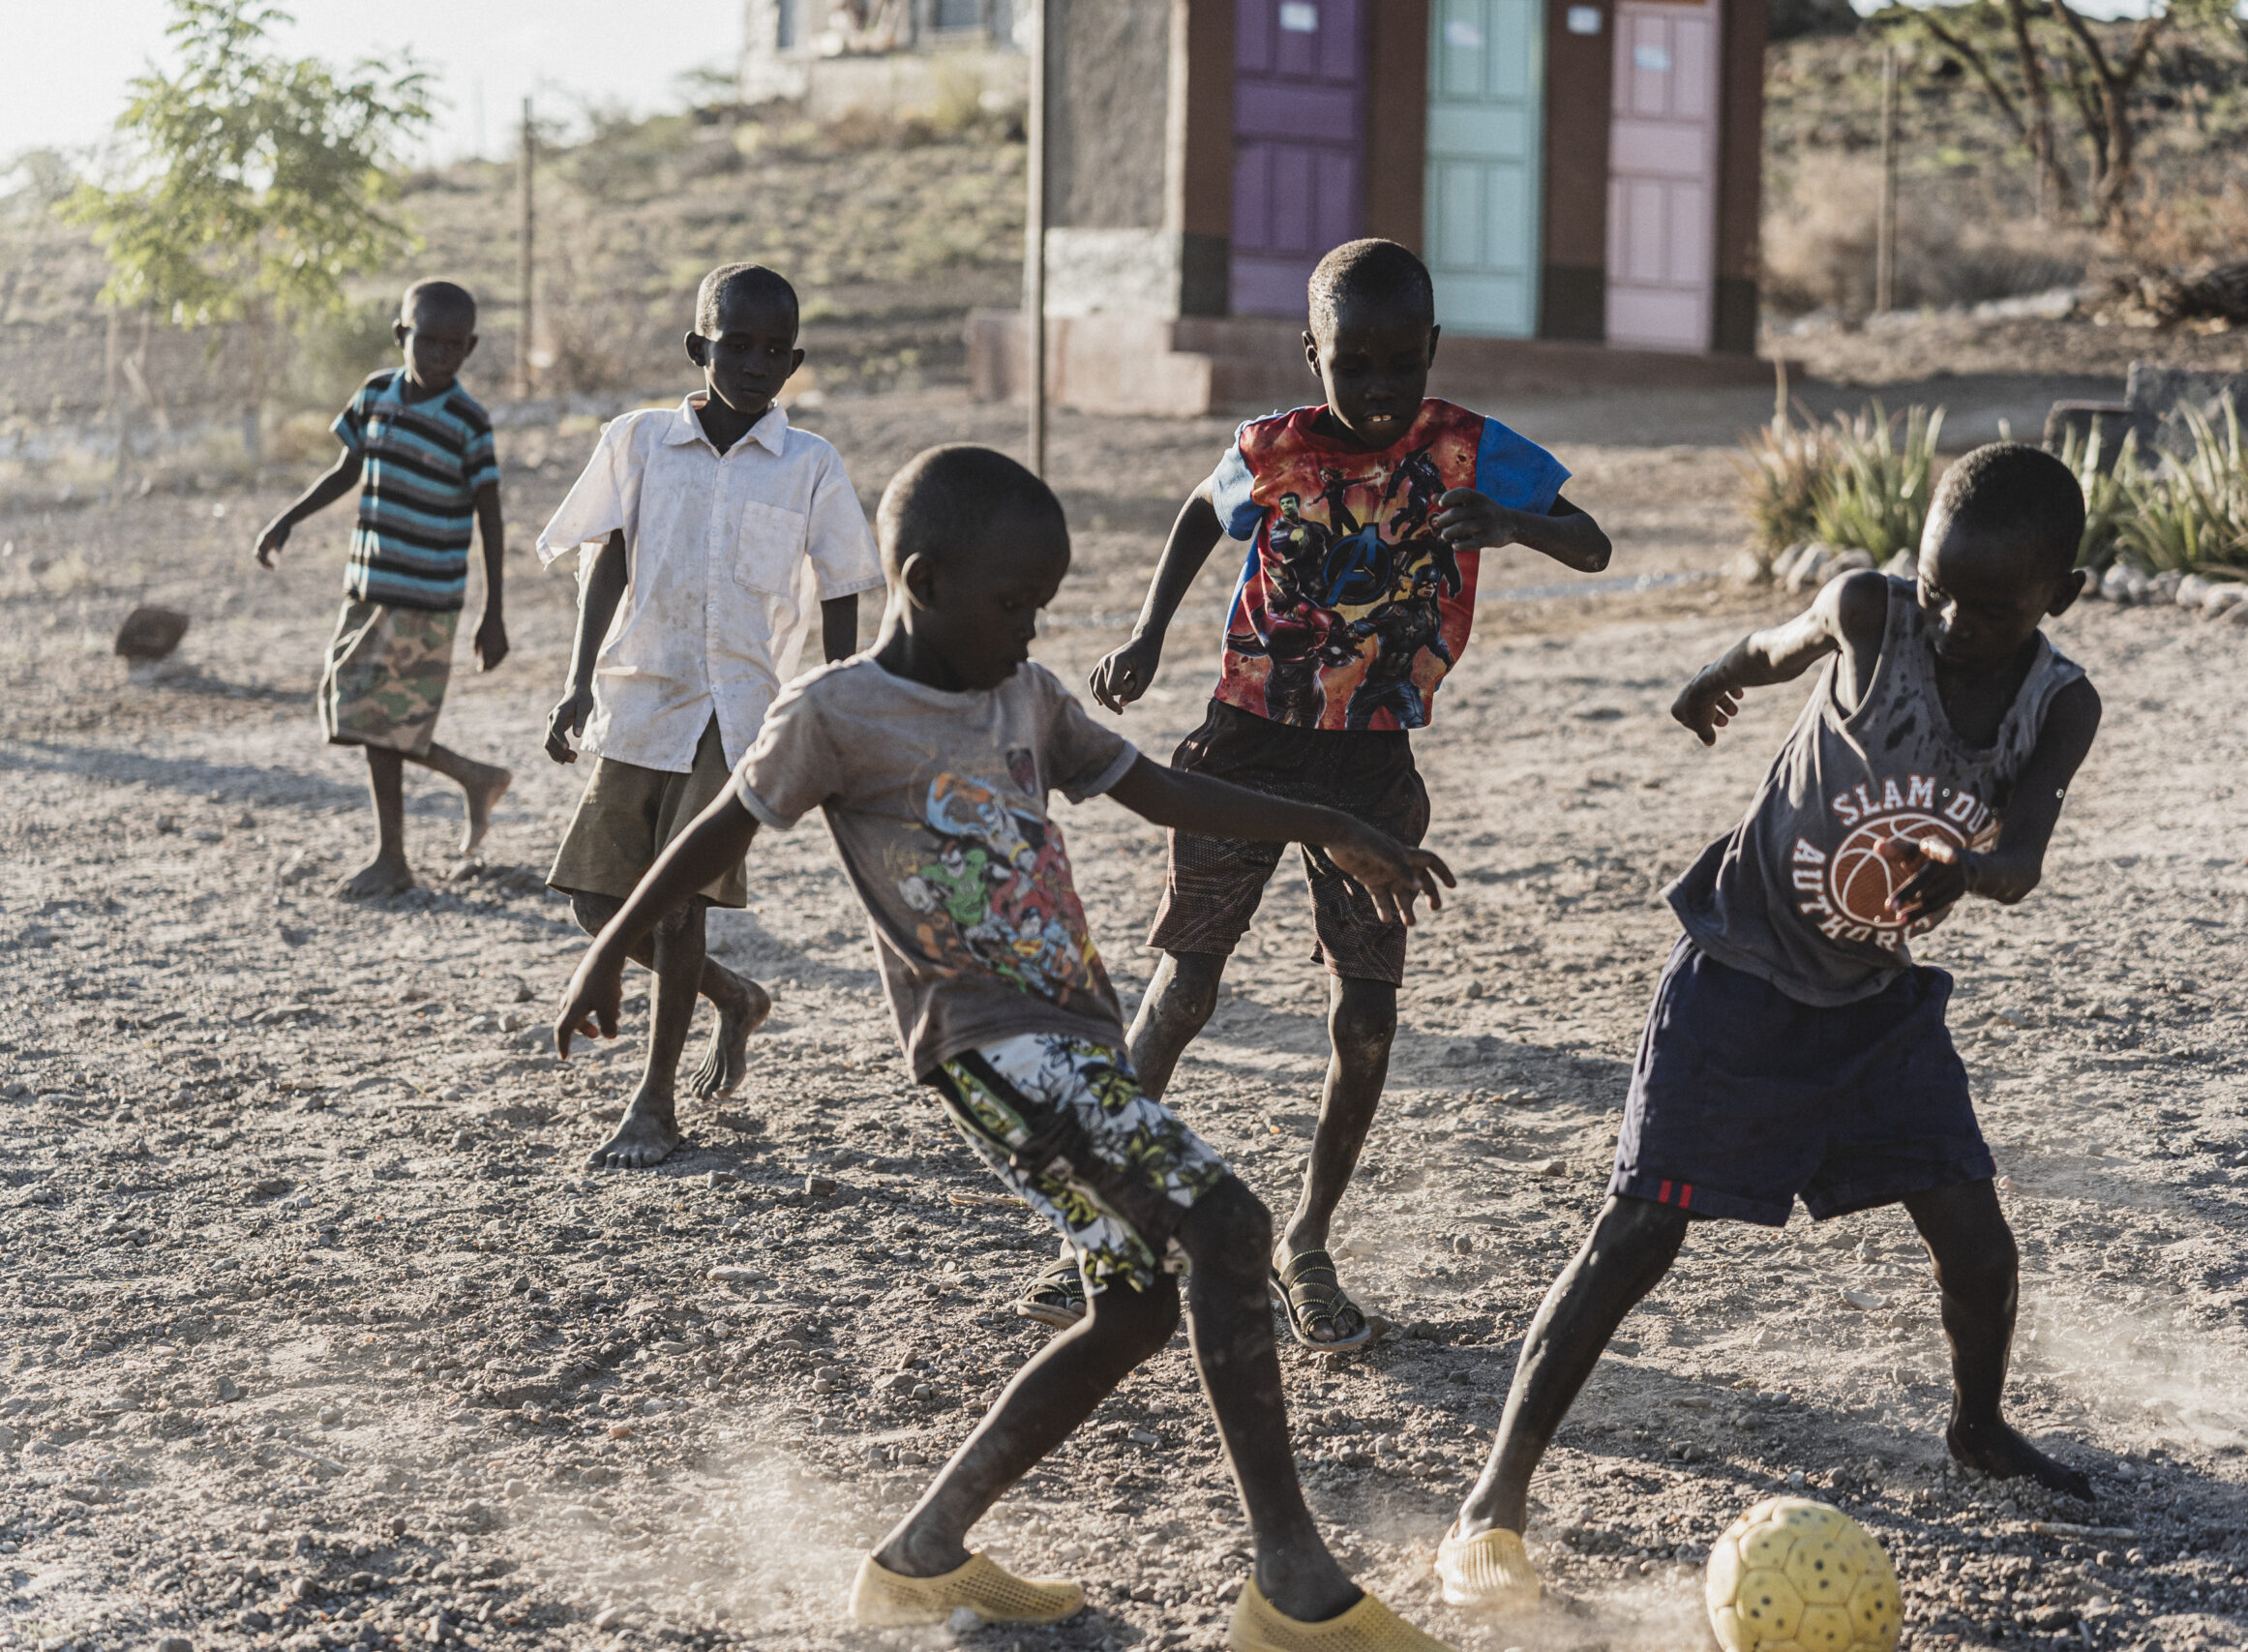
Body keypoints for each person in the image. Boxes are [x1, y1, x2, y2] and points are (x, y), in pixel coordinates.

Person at [549, 445, 1462, 1652]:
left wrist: (1336, 825)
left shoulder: (1025, 699)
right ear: (920, 582)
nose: (1031, 633)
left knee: (1134, 1311)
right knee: (1230, 1225)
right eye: (1014, 607)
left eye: (1042, 608)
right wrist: (605, 948)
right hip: (985, 1047)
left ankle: (919, 1560)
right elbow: (717, 827)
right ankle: (1291, 1584)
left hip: (1072, 1037)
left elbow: (1162, 794)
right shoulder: (834, 713)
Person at [1433, 443, 2106, 1612]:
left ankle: (1979, 1426)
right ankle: (1493, 1497)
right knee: (1634, 1236)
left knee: (1978, 1243)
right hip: (1738, 974)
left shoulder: (2059, 703)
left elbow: (2026, 855)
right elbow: (1770, 646)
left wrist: (1969, 871)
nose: (1950, 621)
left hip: (1872, 1010)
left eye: (1989, 608)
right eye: (1938, 586)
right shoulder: (1868, 613)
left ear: (2062, 595)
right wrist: (1710, 676)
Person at [1071, 238, 1610, 1349]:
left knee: (1365, 1017)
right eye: (1350, 365)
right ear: (1308, 351)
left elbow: (1591, 545)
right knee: (1183, 993)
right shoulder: (1270, 447)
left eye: (1398, 367)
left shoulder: (1470, 449)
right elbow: (1194, 513)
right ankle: (1099, 1215)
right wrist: (1146, 629)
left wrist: (1511, 523)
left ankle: (1306, 1238)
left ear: (1431, 352)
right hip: (1243, 751)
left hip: (1370, 767)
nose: (1375, 392)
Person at [535, 262, 882, 1170]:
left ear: (796, 360)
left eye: (777, 351)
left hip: (739, 717)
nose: (758, 364)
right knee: (596, 900)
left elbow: (844, 583)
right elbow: (604, 564)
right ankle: (734, 996)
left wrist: (837, 697)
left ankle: (653, 1103)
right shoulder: (640, 442)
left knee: (680, 904)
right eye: (738, 345)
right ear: (700, 348)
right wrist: (576, 683)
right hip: (642, 698)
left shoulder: (809, 465)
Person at [254, 280, 511, 901]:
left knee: (378, 718)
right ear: (402, 336)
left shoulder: (468, 422)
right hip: (368, 589)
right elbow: (348, 469)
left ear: (470, 347)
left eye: (456, 345)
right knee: (358, 712)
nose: (441, 355)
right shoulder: (374, 395)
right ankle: (470, 778)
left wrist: (493, 612)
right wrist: (289, 516)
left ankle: (394, 856)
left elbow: (491, 516)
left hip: (427, 599)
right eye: (429, 341)